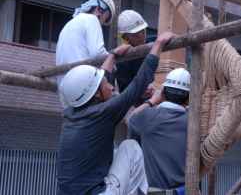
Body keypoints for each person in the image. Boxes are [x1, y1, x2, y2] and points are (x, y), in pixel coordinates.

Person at [56, 31, 174, 195]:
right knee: (130, 147)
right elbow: (137, 86)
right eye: (106, 84)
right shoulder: (101, 113)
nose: (111, 86)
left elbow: (96, 83)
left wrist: (112, 56)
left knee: (115, 152)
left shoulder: (72, 113)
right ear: (97, 94)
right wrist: (158, 45)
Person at [127, 68, 190, 194]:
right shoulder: (193, 121)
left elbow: (131, 119)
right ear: (188, 98)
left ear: (163, 93)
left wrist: (152, 101)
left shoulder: (148, 117)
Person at [56, 0, 116, 108]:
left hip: (66, 89)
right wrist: (113, 59)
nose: (102, 23)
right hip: (83, 86)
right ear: (99, 10)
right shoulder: (91, 19)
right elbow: (98, 53)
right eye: (105, 18)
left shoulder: (69, 24)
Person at [116, 9, 156, 92]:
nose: (141, 36)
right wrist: (141, 92)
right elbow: (125, 91)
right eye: (135, 35)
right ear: (125, 38)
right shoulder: (123, 61)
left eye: (143, 31)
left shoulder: (154, 43)